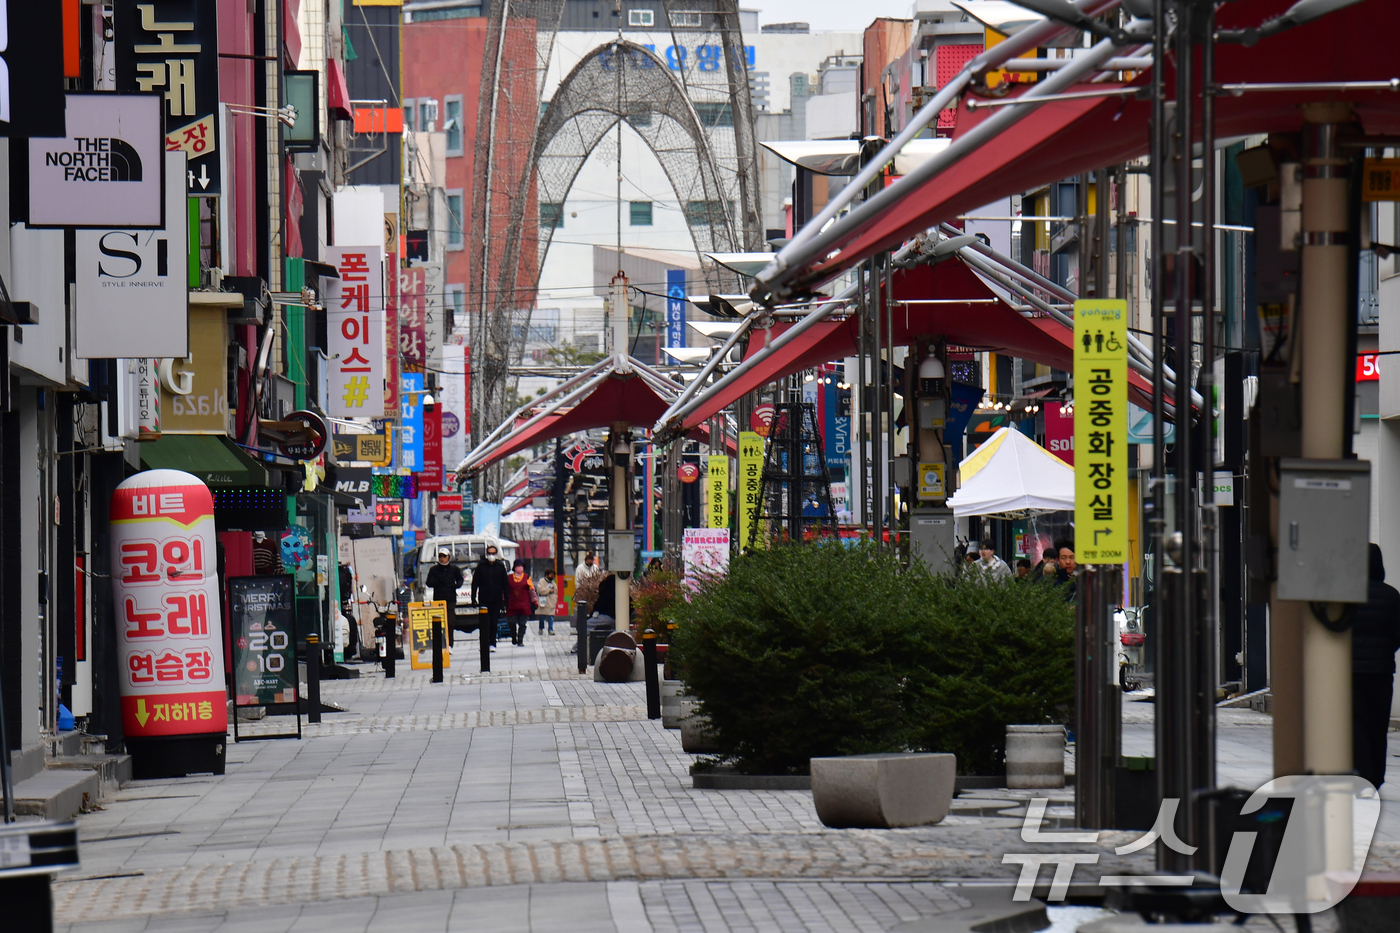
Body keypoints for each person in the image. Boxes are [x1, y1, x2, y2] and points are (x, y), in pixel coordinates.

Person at [1353, 543, 1400, 790]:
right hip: (1381, 671)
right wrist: (1384, 651)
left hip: (1351, 671)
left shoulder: (1346, 595)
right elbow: (1397, 634)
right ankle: (1378, 776)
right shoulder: (1391, 595)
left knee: (1357, 724)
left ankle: (1363, 774)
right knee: (1378, 723)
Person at [470, 544, 509, 649]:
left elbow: (505, 584)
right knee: (484, 623)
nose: (491, 555)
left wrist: (506, 600)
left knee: (493, 622)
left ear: (496, 554)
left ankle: (492, 643)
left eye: (493, 553)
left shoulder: (500, 567)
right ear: (486, 554)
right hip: (484, 599)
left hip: (496, 600)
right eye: (489, 553)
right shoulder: (481, 567)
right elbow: (475, 583)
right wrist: (473, 597)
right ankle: (484, 642)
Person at [424, 548, 465, 648]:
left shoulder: (454, 569)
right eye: (440, 556)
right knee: (439, 623)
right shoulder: (434, 569)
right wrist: (438, 581)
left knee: (450, 622)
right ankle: (441, 643)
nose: (442, 558)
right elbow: (428, 582)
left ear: (448, 557)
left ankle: (450, 644)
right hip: (438, 599)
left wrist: (456, 585)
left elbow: (460, 579)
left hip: (450, 599)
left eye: (444, 556)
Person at [505, 559, 536, 646]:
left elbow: (532, 590)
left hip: (524, 605)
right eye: (518, 566)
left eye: (521, 566)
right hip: (512, 604)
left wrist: (535, 600)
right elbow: (505, 591)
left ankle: (520, 639)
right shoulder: (509, 578)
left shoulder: (527, 578)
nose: (520, 568)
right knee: (511, 622)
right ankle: (513, 636)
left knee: (522, 623)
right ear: (514, 567)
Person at [535, 568, 558, 635]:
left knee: (551, 616)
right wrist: (548, 590)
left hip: (551, 602)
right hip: (543, 602)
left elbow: (555, 590)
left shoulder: (553, 583)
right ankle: (541, 628)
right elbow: (540, 590)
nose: (552, 577)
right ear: (547, 575)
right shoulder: (541, 581)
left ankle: (550, 629)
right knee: (542, 617)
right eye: (551, 575)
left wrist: (555, 598)